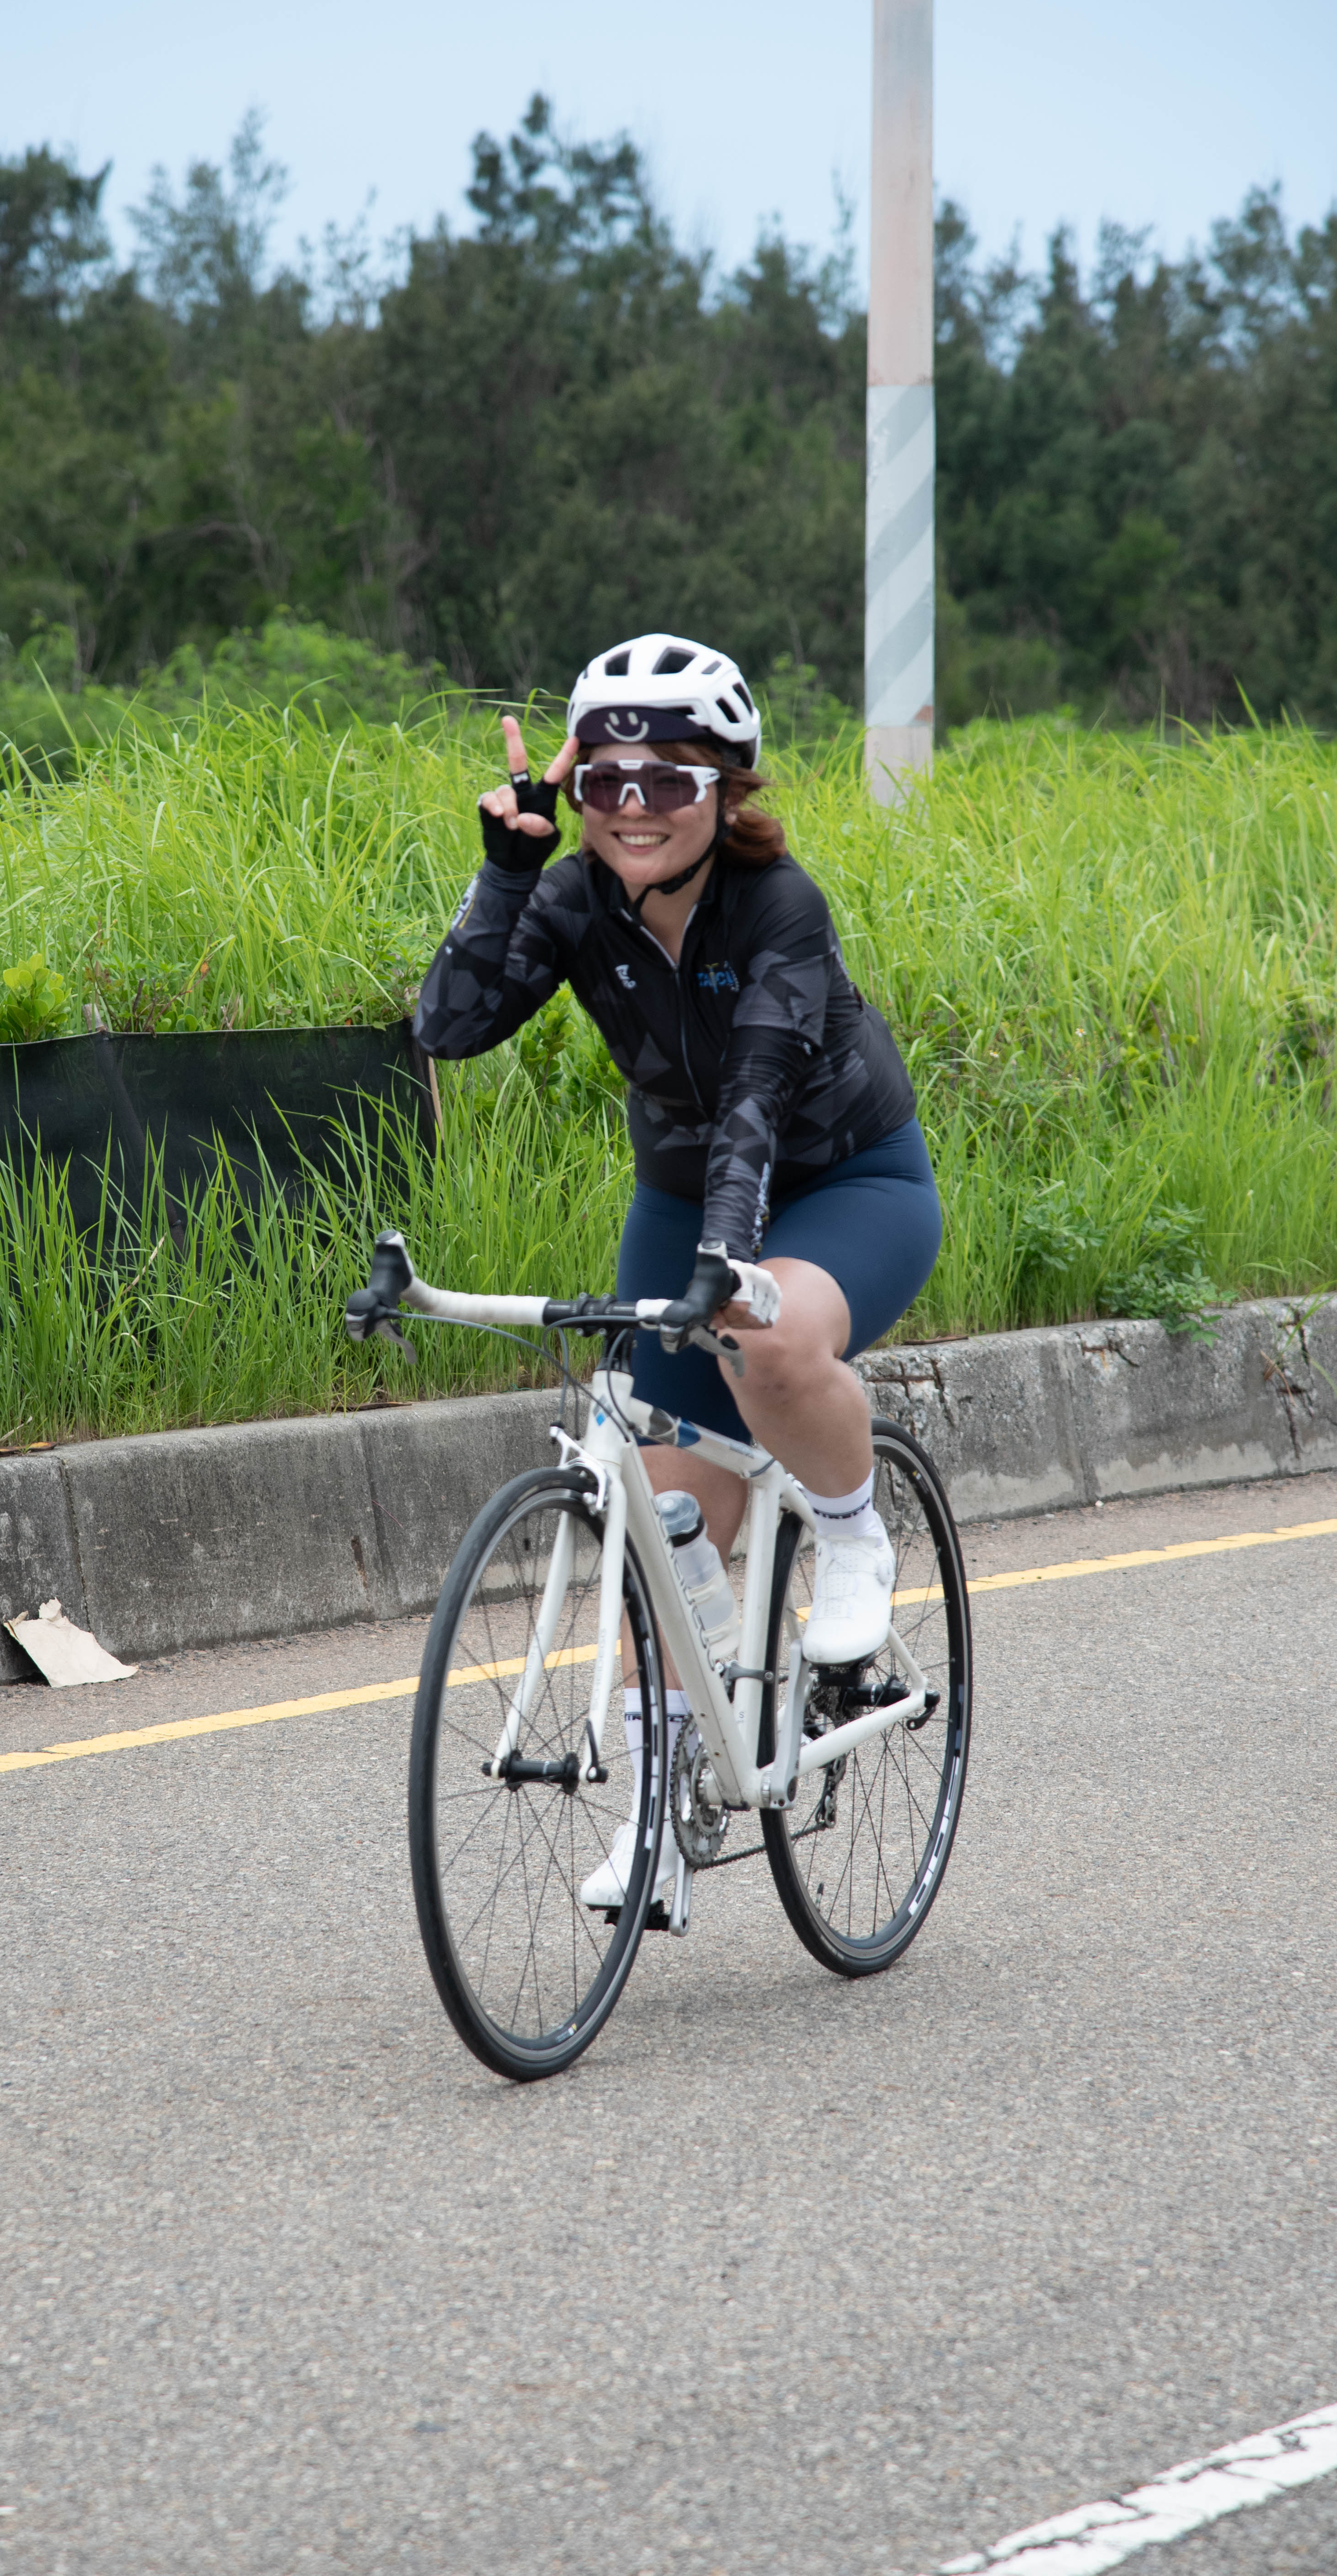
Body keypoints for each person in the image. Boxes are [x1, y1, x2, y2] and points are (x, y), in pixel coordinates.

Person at [412, 633, 941, 1909]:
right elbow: (449, 1026)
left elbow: (757, 1098)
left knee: (768, 1341)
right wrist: (508, 872)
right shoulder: (574, 899)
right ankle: (665, 1812)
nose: (634, 808)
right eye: (607, 782)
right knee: (658, 1523)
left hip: (846, 1185)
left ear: (726, 789)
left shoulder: (778, 908)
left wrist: (727, 1268)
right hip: (678, 1198)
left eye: (668, 781)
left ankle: (854, 1537)